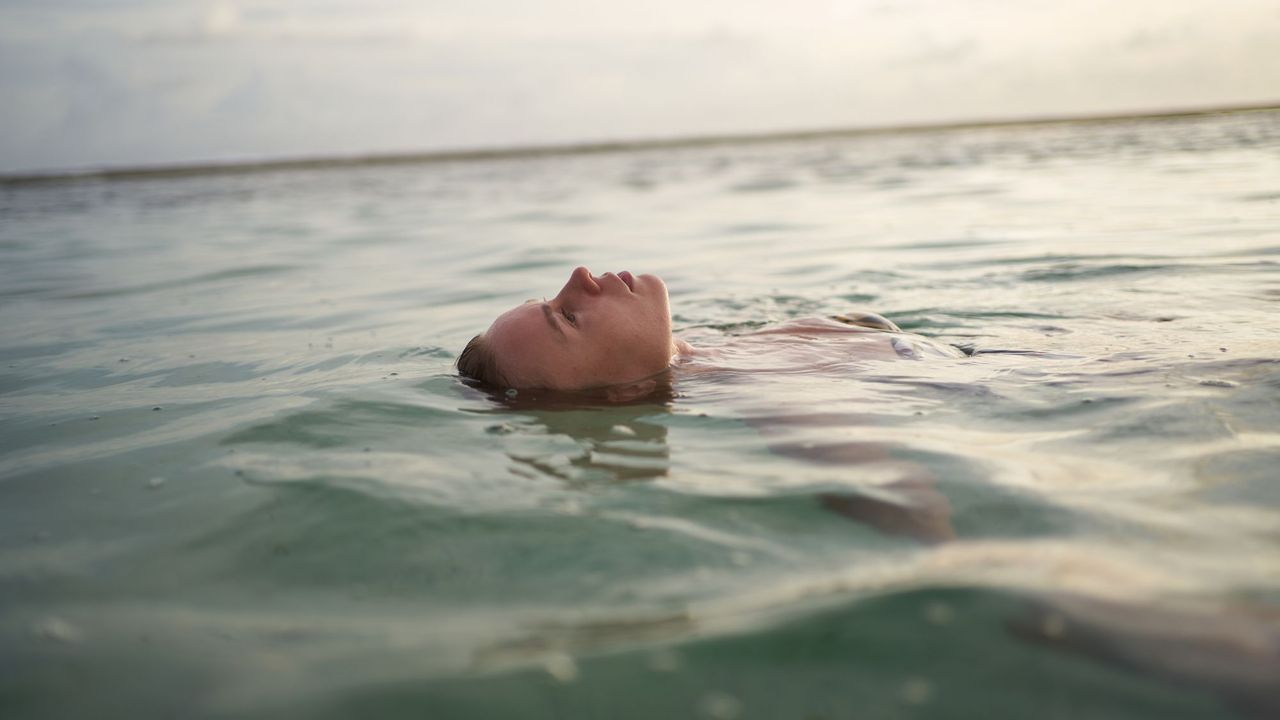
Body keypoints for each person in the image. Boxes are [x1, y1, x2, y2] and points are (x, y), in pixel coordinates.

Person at [457, 266, 959, 393]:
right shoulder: (767, 396)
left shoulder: (701, 351)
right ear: (618, 394)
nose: (579, 276)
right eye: (566, 317)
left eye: (546, 298)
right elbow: (884, 487)